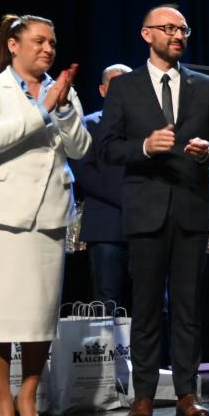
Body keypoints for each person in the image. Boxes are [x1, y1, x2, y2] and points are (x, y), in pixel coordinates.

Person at [100, 4, 209, 416]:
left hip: (190, 211)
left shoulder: (205, 86)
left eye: (183, 30)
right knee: (145, 308)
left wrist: (208, 150)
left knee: (187, 309)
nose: (178, 36)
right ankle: (142, 397)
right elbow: (107, 148)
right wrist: (144, 147)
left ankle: (187, 393)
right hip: (145, 212)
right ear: (147, 35)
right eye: (169, 29)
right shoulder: (125, 87)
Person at [0, 14, 90, 416]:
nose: (48, 49)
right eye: (39, 41)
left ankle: (28, 396)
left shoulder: (62, 91)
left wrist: (64, 107)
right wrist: (45, 106)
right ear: (14, 45)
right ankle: (2, 398)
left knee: (39, 313)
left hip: (48, 213)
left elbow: (80, 148)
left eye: (52, 42)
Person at [72, 63, 132, 310]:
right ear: (102, 90)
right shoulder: (88, 125)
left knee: (154, 302)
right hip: (106, 226)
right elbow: (85, 173)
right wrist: (127, 197)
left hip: (145, 227)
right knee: (106, 303)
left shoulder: (149, 127)